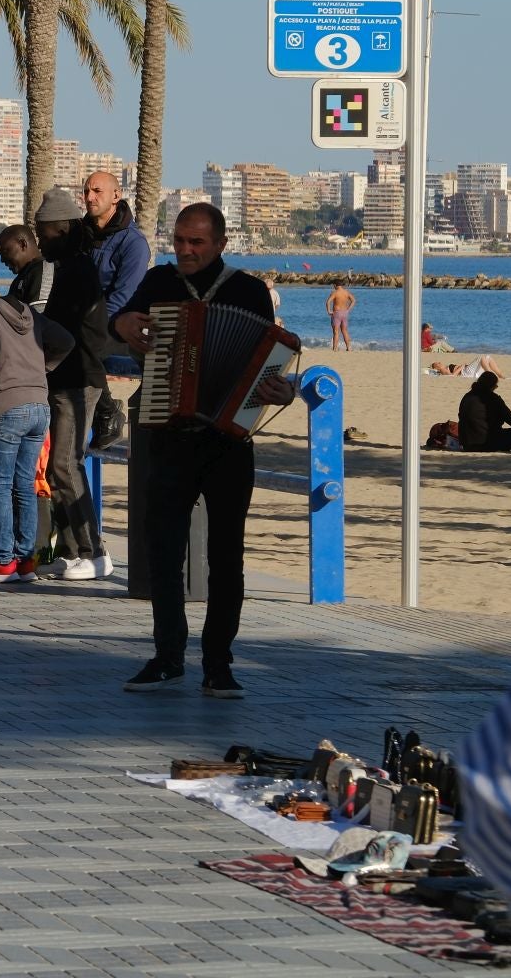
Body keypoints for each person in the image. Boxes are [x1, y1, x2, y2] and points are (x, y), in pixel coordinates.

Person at [113, 202, 295, 698]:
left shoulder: (249, 290)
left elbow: (269, 361)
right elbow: (120, 322)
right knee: (163, 551)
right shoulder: (159, 283)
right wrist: (124, 325)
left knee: (227, 556)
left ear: (219, 243)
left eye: (196, 242)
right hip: (169, 435)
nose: (186, 251)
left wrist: (283, 389)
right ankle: (168, 656)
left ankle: (219, 663)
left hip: (228, 440)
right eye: (179, 241)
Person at [0, 266, 73, 584]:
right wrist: (42, 369)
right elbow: (65, 341)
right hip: (40, 405)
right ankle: (26, 561)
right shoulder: (28, 311)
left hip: (7, 406)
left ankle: (4, 560)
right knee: (25, 483)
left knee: (0, 484)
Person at [31, 187, 113, 581]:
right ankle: (71, 546)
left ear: (60, 230)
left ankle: (92, 551)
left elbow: (77, 332)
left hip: (77, 381)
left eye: (42, 232)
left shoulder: (78, 272)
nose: (38, 240)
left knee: (66, 464)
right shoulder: (69, 269)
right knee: (58, 467)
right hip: (66, 379)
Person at [82, 170, 149, 316]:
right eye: (86, 192)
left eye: (97, 191)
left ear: (116, 196)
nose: (89, 197)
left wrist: (89, 330)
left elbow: (122, 301)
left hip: (106, 331)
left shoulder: (133, 243)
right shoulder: (80, 235)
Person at [0, 224, 51, 313]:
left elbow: (39, 317)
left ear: (22, 244)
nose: (2, 260)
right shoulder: (22, 277)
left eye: (5, 252)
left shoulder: (42, 271)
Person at [459, 370, 511, 452]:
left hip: (467, 444)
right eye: (495, 386)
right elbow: (510, 419)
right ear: (491, 386)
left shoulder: (467, 397)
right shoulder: (494, 399)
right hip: (488, 443)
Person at [326, 280, 356, 351]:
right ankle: (348, 347)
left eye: (333, 285)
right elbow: (354, 300)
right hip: (345, 313)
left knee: (336, 331)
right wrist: (348, 309)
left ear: (335, 285)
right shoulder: (346, 292)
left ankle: (335, 348)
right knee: (344, 330)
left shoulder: (335, 293)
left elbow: (328, 302)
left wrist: (329, 311)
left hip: (337, 313)